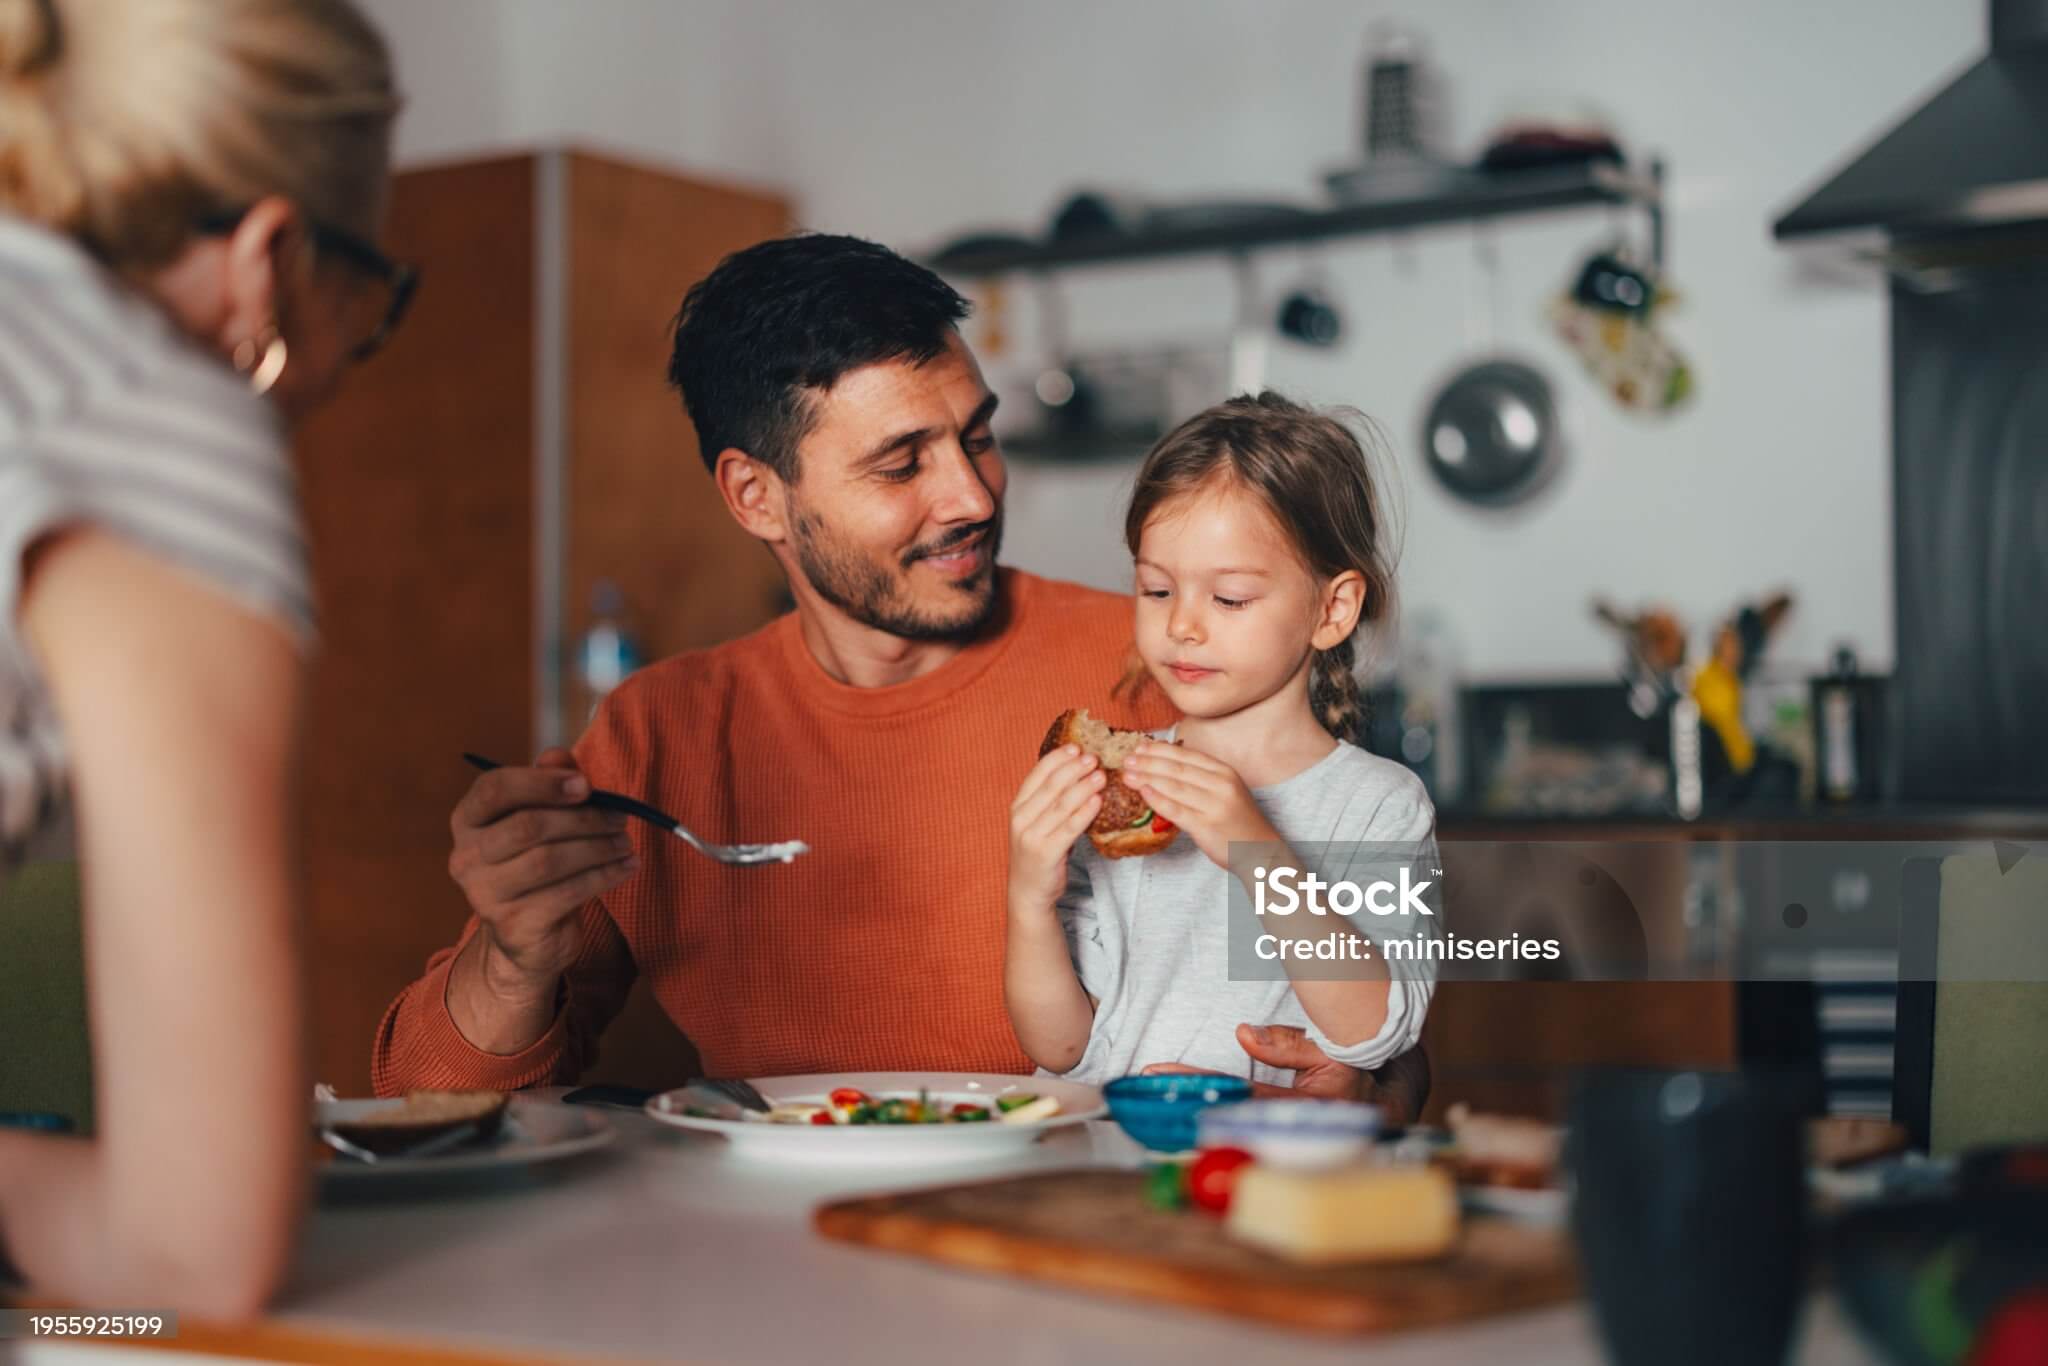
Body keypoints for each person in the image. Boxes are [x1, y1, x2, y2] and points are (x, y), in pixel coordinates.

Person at [375, 235, 1429, 1117]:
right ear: (756, 497)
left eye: (977, 437)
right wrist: (514, 958)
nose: (970, 493)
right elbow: (424, 1102)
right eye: (900, 463)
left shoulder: (1170, 671)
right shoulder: (659, 735)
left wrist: (1370, 1081)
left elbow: (1388, 1016)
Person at [0, 0, 405, 1316]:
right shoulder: (148, 410)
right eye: (371, 291)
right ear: (269, 256)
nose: (349, 356)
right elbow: (195, 1256)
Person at [1006, 392, 1438, 1085]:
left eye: (1229, 598)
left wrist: (1259, 852)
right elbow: (1060, 1048)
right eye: (1156, 591)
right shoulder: (1120, 797)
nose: (1182, 626)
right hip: (1105, 1169)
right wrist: (1027, 898)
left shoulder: (1379, 805)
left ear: (1333, 610)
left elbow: (1371, 1033)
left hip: (1271, 1178)